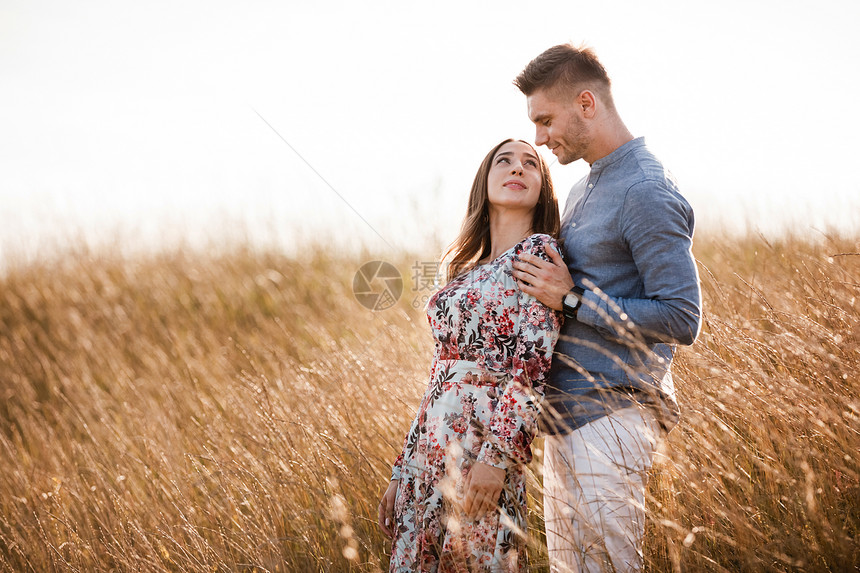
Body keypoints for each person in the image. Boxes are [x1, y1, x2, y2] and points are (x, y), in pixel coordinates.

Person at [509, 44, 702, 572]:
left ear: (587, 103)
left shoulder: (644, 190)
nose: (540, 138)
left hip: (612, 416)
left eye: (545, 121)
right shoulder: (583, 187)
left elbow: (682, 317)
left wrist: (571, 299)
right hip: (565, 422)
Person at [378, 138, 563, 572]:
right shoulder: (466, 269)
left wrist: (496, 459)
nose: (517, 168)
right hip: (429, 450)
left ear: (542, 187)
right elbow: (438, 375)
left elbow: (531, 368)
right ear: (485, 181)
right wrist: (402, 469)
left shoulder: (537, 253)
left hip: (483, 449)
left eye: (530, 164)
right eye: (505, 161)